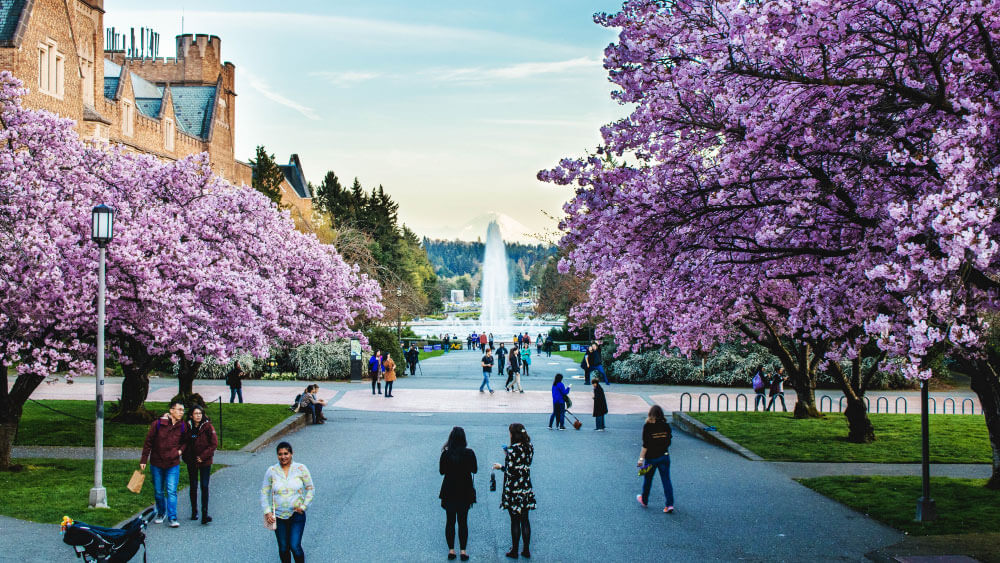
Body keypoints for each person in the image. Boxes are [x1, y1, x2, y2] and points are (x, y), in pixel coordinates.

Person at [261, 441, 314, 563]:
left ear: (291, 454)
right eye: (280, 454)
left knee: (295, 546)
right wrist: (267, 512)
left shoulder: (301, 469)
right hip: (278, 516)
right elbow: (264, 492)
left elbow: (310, 488)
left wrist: (304, 506)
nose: (283, 457)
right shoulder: (272, 471)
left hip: (297, 515)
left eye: (286, 453)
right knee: (284, 548)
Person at [140, 400, 187, 527]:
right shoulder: (158, 424)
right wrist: (144, 459)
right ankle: (161, 512)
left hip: (173, 463)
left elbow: (185, 441)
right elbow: (148, 442)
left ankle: (173, 517)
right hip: (157, 462)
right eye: (179, 410)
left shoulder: (183, 426)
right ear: (171, 410)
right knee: (159, 491)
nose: (181, 412)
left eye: (183, 410)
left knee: (171, 490)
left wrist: (179, 451)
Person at [493, 423, 535, 559]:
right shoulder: (529, 448)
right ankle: (526, 549)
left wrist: (501, 467)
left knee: (515, 521)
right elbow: (525, 465)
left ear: (513, 434)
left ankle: (515, 550)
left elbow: (511, 471)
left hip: (513, 489)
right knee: (525, 519)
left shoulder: (512, 451)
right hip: (526, 487)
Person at [439, 427, 478, 561]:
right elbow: (475, 470)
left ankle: (451, 550)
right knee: (463, 522)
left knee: (450, 521)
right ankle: (463, 551)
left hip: (449, 490)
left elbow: (442, 471)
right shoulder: (469, 453)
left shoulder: (446, 454)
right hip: (465, 490)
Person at [636, 405, 674, 513]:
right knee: (666, 480)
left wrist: (640, 459)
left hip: (651, 458)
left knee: (647, 479)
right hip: (664, 456)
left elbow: (645, 445)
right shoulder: (666, 426)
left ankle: (644, 500)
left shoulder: (647, 426)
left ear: (650, 414)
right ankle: (669, 504)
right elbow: (669, 441)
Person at [183, 405, 218, 524]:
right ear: (191, 415)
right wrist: (187, 457)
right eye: (196, 413)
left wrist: (202, 457)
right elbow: (183, 442)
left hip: (205, 461)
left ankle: (205, 513)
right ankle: (194, 511)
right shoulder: (187, 426)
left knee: (204, 485)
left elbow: (213, 444)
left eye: (200, 413)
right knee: (193, 485)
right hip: (191, 461)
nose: (198, 416)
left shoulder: (208, 426)